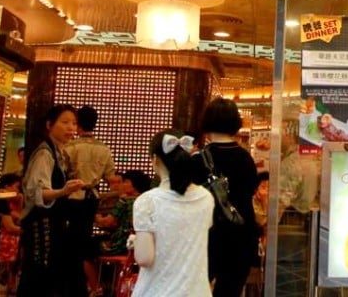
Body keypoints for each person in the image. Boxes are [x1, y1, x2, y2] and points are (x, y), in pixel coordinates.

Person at [132, 130, 214, 297]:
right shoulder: (206, 198)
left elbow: (144, 258)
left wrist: (136, 241)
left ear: (155, 159)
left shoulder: (147, 201)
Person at [17, 104, 87, 297]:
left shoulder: (58, 152)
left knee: (48, 274)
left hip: (53, 223)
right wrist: (64, 191)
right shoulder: (44, 153)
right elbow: (38, 193)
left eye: (74, 123)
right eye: (64, 122)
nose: (71, 128)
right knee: (39, 273)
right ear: (49, 124)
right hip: (41, 224)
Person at [198, 97, 260, 297]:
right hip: (240, 233)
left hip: (206, 234)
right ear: (235, 123)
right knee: (230, 290)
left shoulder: (199, 159)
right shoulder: (245, 158)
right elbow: (250, 191)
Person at [64, 105, 118, 297]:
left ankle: (76, 283)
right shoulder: (103, 149)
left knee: (71, 240)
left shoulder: (70, 147)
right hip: (91, 198)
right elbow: (111, 177)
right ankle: (88, 284)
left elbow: (62, 174)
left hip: (71, 197)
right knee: (84, 236)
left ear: (78, 124)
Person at [96, 170, 152, 256]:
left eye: (125, 182)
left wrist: (96, 215)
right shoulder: (146, 200)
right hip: (142, 243)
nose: (120, 185)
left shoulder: (125, 201)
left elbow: (107, 223)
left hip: (122, 243)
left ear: (135, 185)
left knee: (85, 247)